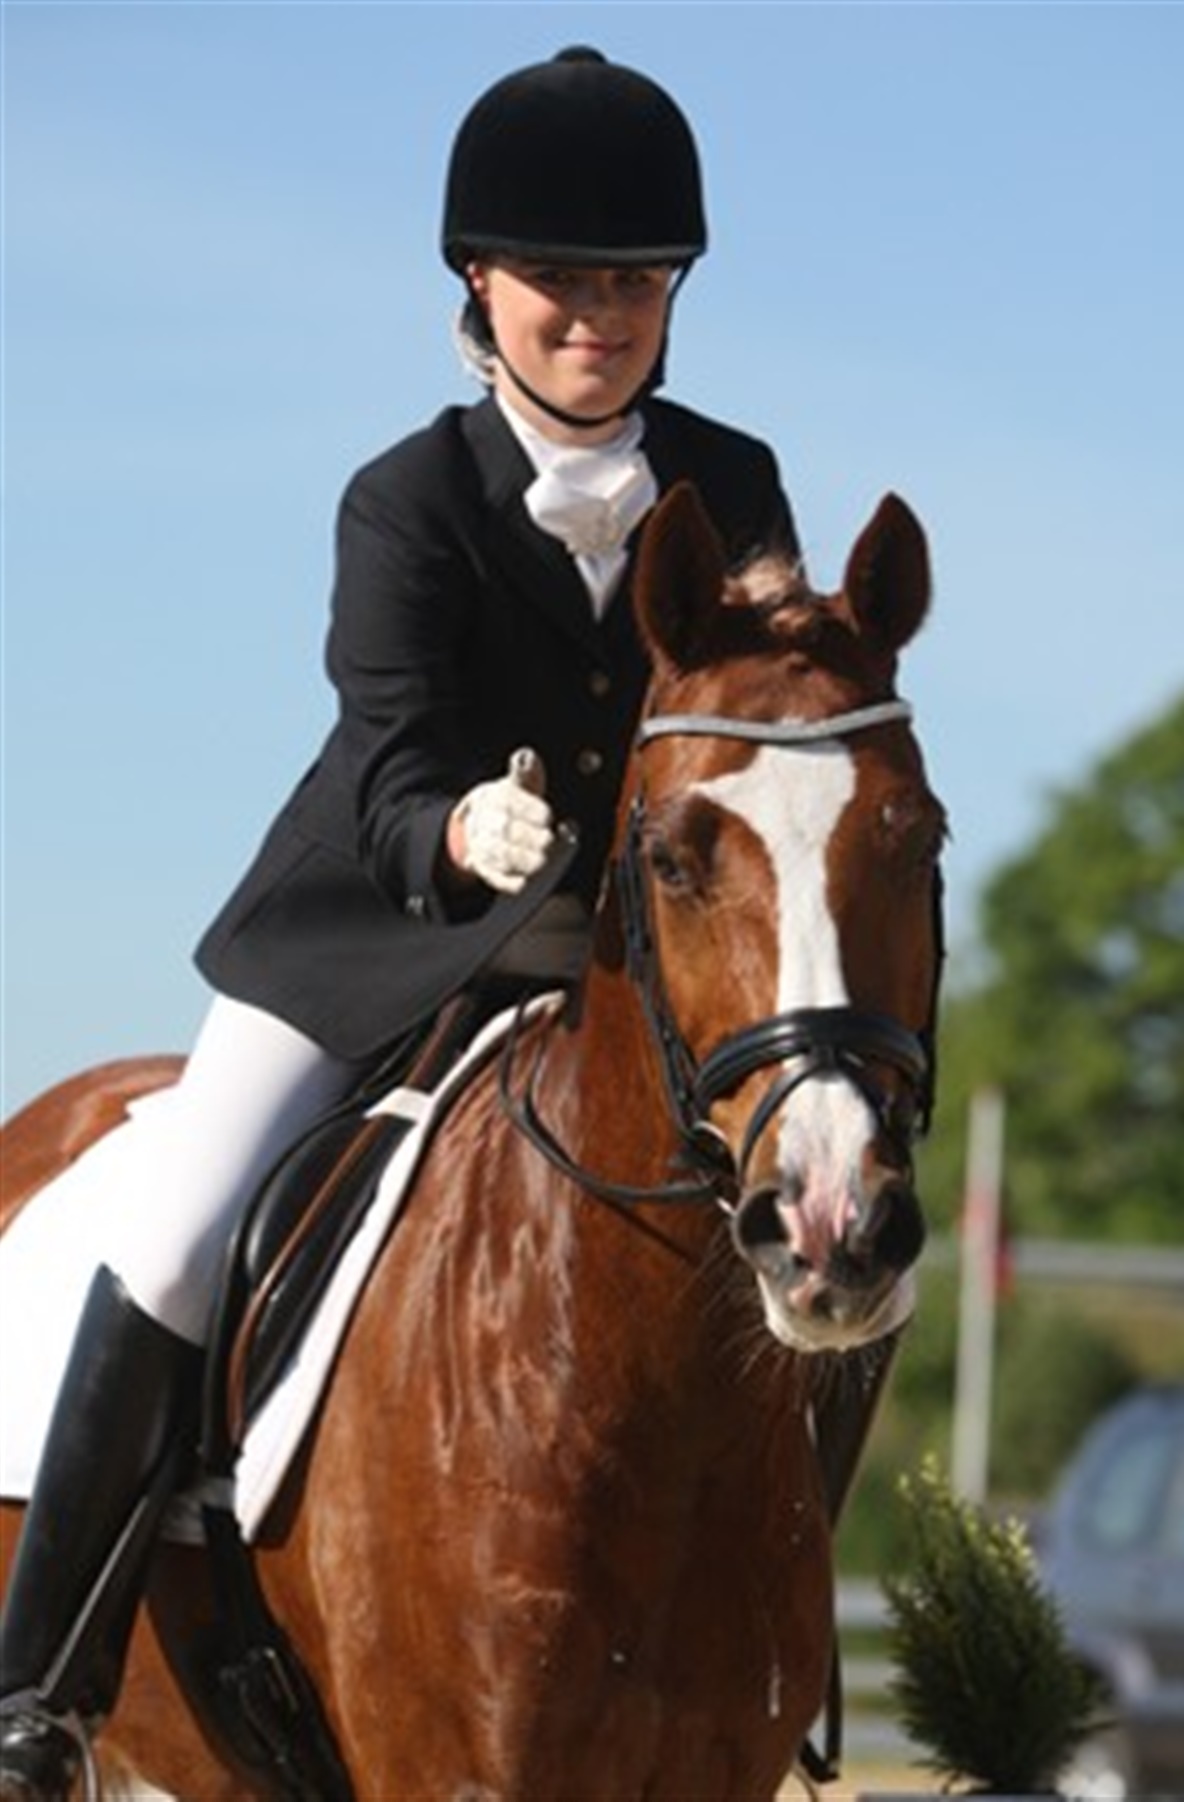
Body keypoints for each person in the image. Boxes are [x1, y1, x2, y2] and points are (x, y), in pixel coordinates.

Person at [0, 45, 798, 1800]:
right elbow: (384, 757)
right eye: (562, 279)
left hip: (622, 977)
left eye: (634, 281)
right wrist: (458, 828)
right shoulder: (407, 497)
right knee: (181, 1221)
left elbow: (758, 720)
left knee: (814, 1225)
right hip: (373, 940)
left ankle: (770, 1644)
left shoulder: (734, 481)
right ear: (480, 287)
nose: (598, 316)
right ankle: (38, 1691)